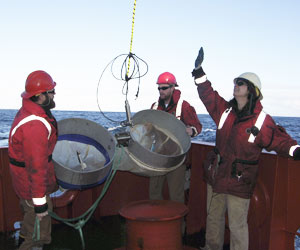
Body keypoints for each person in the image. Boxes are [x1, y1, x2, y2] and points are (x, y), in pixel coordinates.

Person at [191, 47, 300, 250]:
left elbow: (279, 140)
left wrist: (295, 150)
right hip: (217, 175)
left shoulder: (262, 120)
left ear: (252, 90)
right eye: (235, 82)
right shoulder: (224, 111)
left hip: (240, 180)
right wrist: (199, 72)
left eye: (240, 83)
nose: (236, 85)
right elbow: (208, 95)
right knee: (213, 218)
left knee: (237, 225)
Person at [8, 70, 58, 250]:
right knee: (38, 232)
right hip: (33, 187)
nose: (54, 95)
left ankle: (24, 236)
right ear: (40, 95)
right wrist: (40, 206)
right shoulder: (35, 125)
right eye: (51, 91)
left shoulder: (29, 110)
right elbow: (36, 168)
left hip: (24, 182)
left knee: (30, 222)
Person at [149, 71, 202, 206]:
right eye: (159, 87)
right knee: (154, 193)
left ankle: (178, 226)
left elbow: (197, 126)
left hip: (177, 159)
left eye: (164, 87)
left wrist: (192, 131)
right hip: (157, 157)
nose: (161, 90)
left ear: (173, 87)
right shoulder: (155, 106)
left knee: (176, 196)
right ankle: (157, 223)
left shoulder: (184, 106)